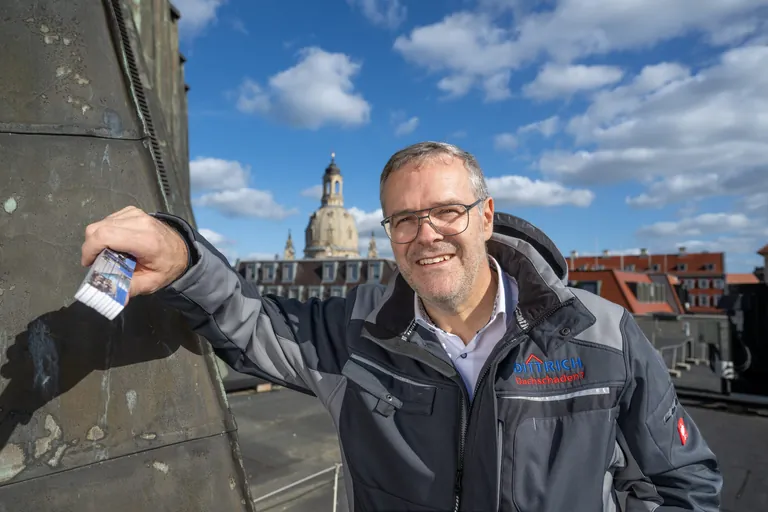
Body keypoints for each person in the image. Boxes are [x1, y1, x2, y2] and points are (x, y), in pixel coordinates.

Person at [81, 142, 722, 512]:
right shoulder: (355, 333)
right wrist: (183, 259)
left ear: (486, 215)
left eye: (447, 211)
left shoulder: (602, 335)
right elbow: (253, 322)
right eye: (404, 219)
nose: (427, 234)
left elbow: (683, 480)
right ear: (386, 232)